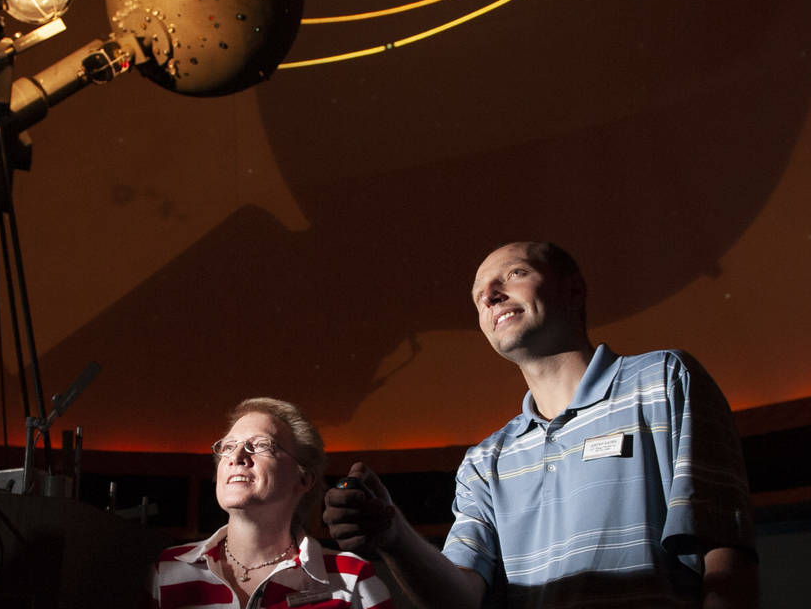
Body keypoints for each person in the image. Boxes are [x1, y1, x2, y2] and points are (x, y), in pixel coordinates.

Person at [324, 242, 758, 608]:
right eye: (478, 296)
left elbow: (723, 548)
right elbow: (461, 596)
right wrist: (393, 534)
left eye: (513, 273)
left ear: (574, 291)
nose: (491, 296)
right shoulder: (485, 460)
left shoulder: (663, 379)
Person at [153, 397, 395, 609]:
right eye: (227, 447)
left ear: (303, 478)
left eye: (260, 445)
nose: (236, 457)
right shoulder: (166, 570)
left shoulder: (352, 579)